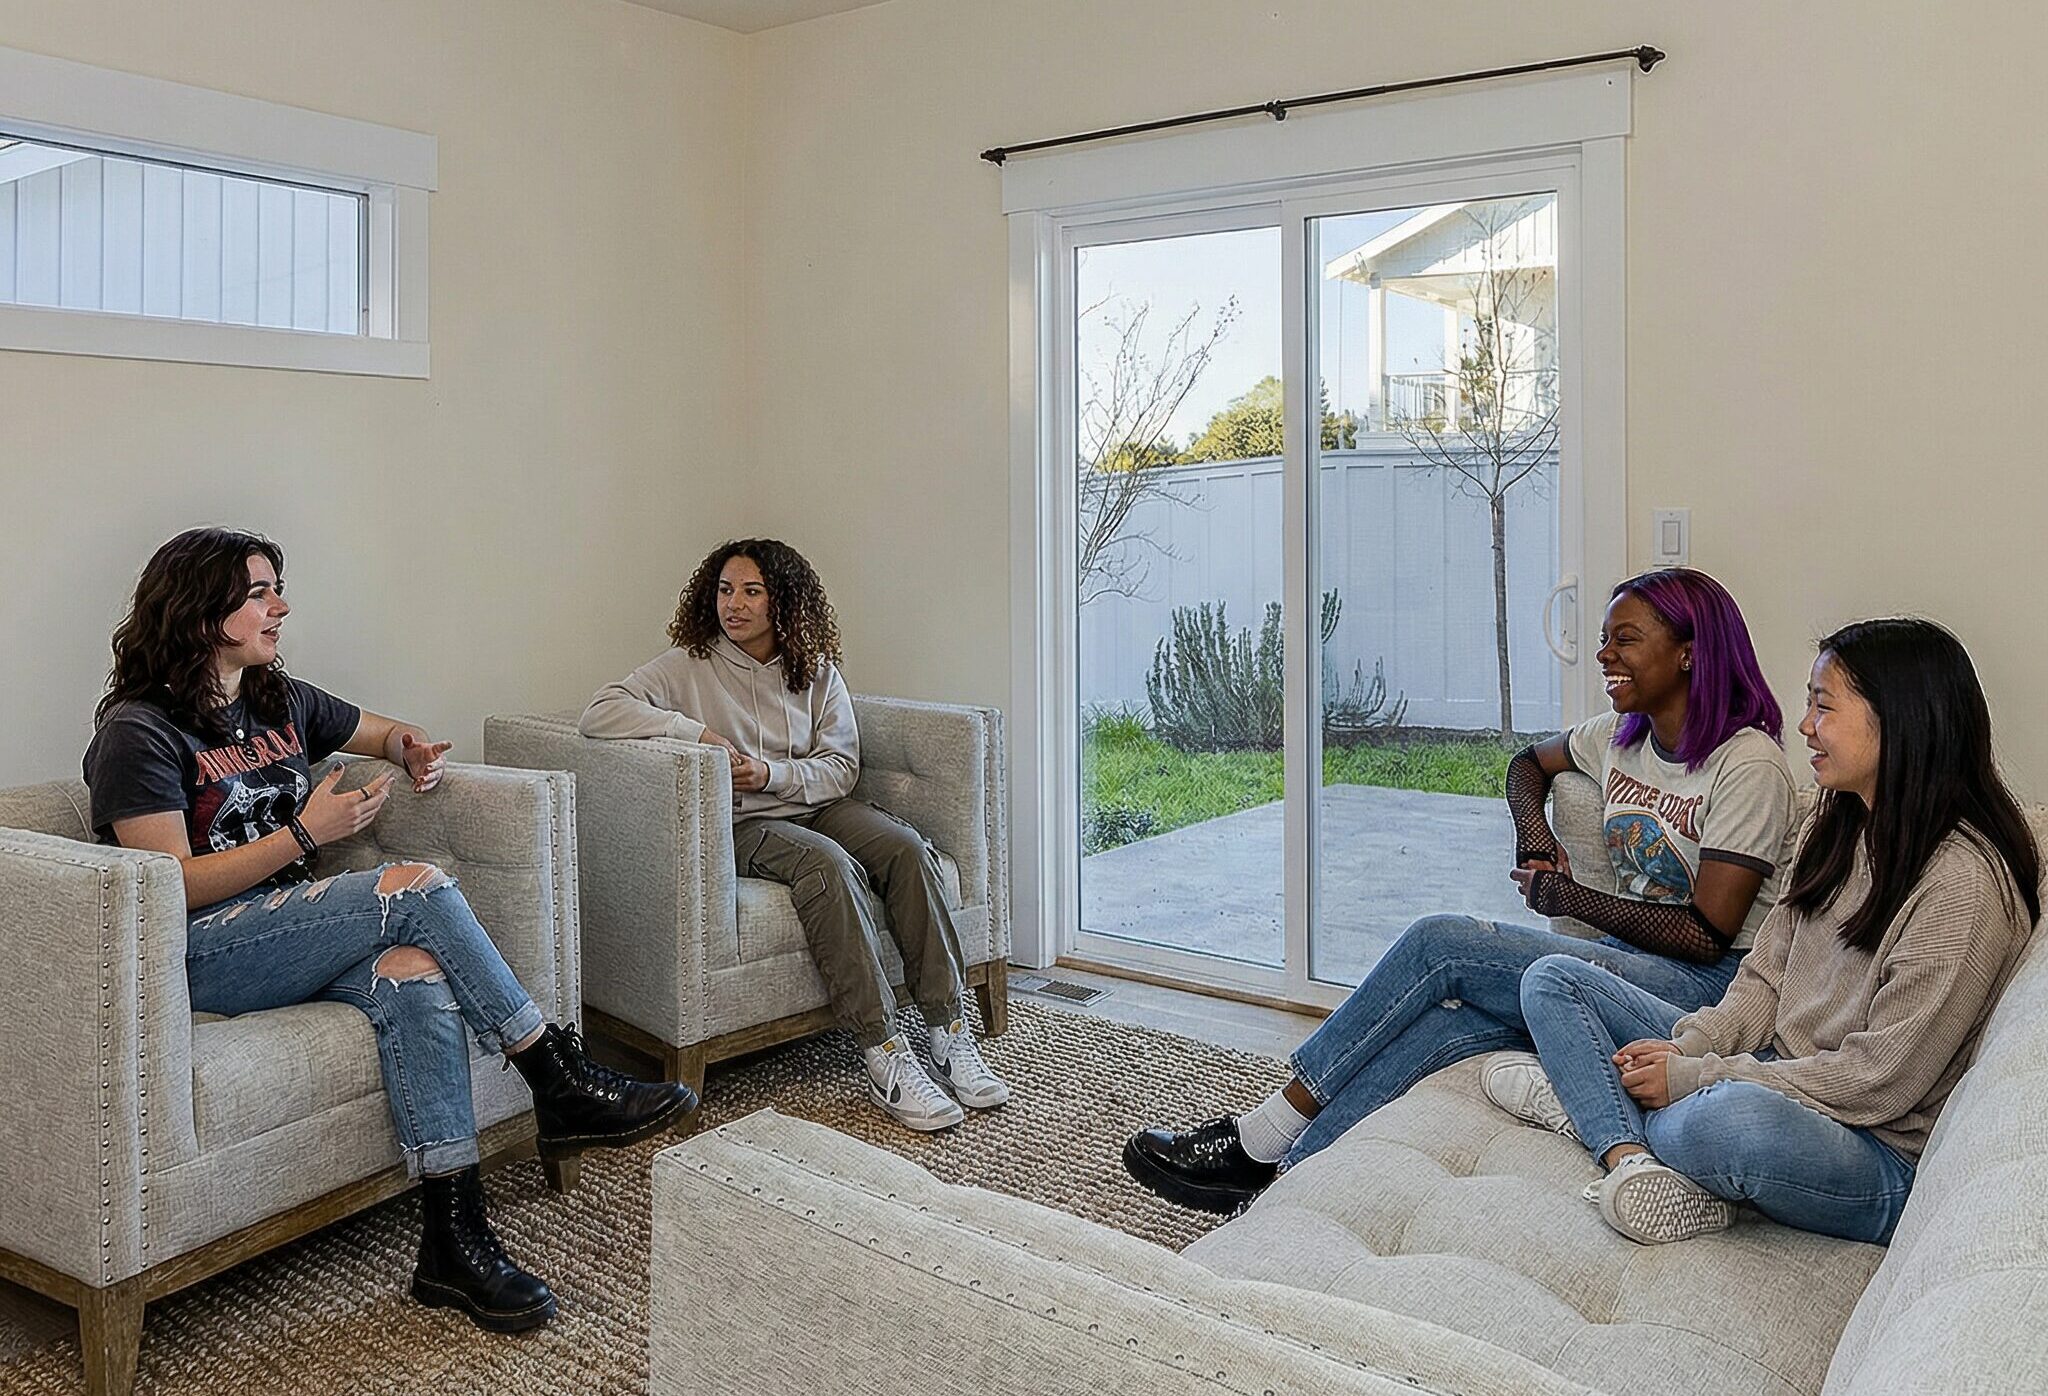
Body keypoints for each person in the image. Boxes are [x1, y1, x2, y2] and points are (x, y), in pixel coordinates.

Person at [83, 528, 697, 1333]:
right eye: (261, 592)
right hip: (202, 949)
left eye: (277, 587)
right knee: (417, 889)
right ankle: (554, 1072)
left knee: (413, 968)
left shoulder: (277, 697)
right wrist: (307, 833)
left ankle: (453, 1237)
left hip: (290, 932)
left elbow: (383, 731)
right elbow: (167, 889)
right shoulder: (141, 730)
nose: (282, 605)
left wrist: (410, 748)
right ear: (203, 614)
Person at [1123, 567, 1798, 1213]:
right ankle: (1289, 1182)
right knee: (1456, 1018)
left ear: (1688, 653)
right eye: (1604, 636)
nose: (1602, 653)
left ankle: (1258, 1137)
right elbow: (1526, 765)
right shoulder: (1621, 737)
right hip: (1626, 966)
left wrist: (1570, 899)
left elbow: (1706, 932)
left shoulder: (1748, 764)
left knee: (1439, 944)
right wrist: (1534, 839)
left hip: (1708, 990)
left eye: (1625, 638)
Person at [1500, 618, 2039, 1245]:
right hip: (1778, 1069)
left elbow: (1877, 1082)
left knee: (1726, 1122)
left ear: (1899, 721)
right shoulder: (1839, 822)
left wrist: (1701, 1078)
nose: (1805, 725)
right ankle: (1629, 1153)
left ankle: (1591, 1106)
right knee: (1553, 980)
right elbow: (1764, 978)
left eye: (1823, 706)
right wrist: (1694, 1048)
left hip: (1872, 1148)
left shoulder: (1962, 887)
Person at [579, 537, 1010, 1132]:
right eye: (726, 590)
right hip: (748, 822)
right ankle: (885, 1053)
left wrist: (772, 772)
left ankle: (948, 1030)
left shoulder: (815, 668)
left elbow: (841, 767)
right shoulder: (688, 664)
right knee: (828, 867)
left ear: (783, 601)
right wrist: (693, 734)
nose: (735, 604)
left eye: (752, 591)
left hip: (816, 802)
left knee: (908, 850)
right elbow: (600, 711)